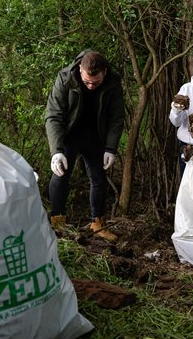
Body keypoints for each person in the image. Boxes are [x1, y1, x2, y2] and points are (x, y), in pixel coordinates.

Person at [45, 50, 125, 241]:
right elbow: (53, 115)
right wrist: (56, 151)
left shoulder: (113, 82)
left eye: (95, 83)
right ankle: (57, 224)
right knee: (60, 174)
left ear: (104, 72)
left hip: (95, 135)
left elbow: (116, 118)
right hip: (69, 134)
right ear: (80, 69)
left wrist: (110, 148)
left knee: (99, 179)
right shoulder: (65, 78)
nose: (90, 86)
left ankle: (97, 224)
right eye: (87, 81)